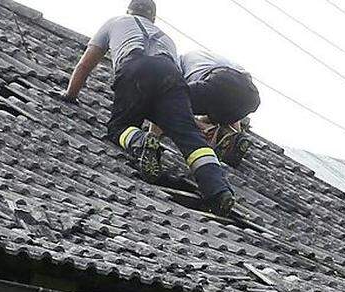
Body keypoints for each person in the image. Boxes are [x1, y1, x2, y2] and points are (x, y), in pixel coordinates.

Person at [61, 0, 235, 216]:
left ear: (129, 11)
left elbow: (86, 64)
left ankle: (140, 142)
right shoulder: (168, 39)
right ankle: (219, 191)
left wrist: (70, 95)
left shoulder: (115, 22)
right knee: (190, 138)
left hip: (134, 66)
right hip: (171, 74)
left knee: (119, 127)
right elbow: (162, 105)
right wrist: (167, 125)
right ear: (153, 19)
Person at [178, 50, 260, 167]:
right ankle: (234, 136)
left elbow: (174, 101)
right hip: (249, 95)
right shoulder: (206, 56)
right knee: (218, 111)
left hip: (217, 80)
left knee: (172, 102)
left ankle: (209, 130)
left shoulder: (177, 62)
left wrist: (200, 124)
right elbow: (230, 95)